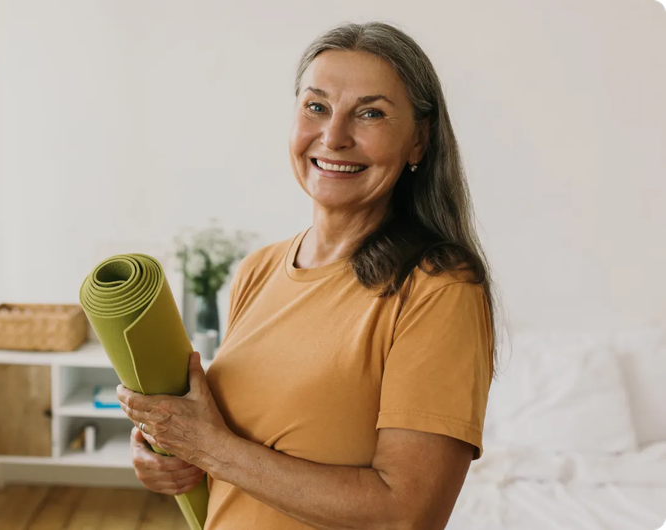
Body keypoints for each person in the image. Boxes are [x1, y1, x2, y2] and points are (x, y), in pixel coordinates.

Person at [118, 21, 499, 530]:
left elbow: (406, 514)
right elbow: (247, 460)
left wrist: (209, 446)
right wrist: (171, 454)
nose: (334, 136)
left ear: (419, 141)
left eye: (371, 113)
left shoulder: (438, 288)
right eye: (316, 107)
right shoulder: (258, 270)